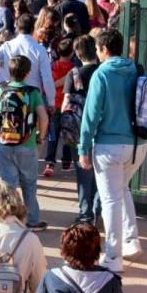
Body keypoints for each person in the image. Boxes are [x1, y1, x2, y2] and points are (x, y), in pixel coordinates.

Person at [78, 29, 144, 273]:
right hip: (138, 144)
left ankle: (113, 256)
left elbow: (91, 114)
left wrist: (83, 147)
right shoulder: (135, 69)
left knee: (110, 200)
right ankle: (131, 239)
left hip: (109, 146)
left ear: (105, 49)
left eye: (98, 49)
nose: (96, 53)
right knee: (122, 189)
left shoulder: (101, 74)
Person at [0, 56, 49, 231]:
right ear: (28, 73)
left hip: (5, 143)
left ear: (9, 71)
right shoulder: (33, 92)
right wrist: (41, 137)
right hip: (27, 144)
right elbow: (43, 118)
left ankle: (8, 218)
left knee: (9, 183)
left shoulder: (1, 91)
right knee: (29, 183)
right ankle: (33, 220)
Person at [62, 36, 102, 223]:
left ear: (77, 53)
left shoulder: (74, 74)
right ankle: (97, 209)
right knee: (100, 172)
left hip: (78, 129)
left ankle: (86, 214)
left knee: (83, 172)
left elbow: (66, 102)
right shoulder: (102, 72)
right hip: (101, 127)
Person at [0, 14, 57, 110]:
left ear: (18, 28)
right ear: (33, 28)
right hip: (32, 96)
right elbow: (47, 78)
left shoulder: (8, 45)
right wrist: (51, 101)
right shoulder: (39, 49)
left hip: (11, 93)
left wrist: (2, 81)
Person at [45, 39, 76, 176]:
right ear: (72, 53)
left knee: (53, 135)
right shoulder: (73, 68)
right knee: (67, 135)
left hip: (54, 104)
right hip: (68, 105)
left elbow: (49, 83)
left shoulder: (53, 66)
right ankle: (66, 162)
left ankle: (49, 162)